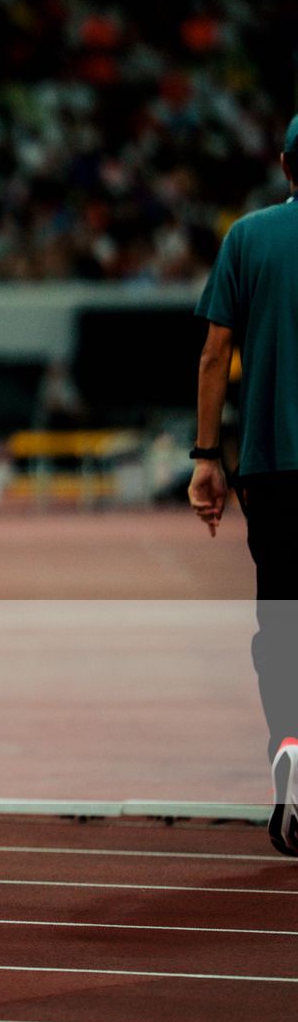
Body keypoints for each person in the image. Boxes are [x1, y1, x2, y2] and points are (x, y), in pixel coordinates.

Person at [189, 111, 298, 859]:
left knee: (282, 630)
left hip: (274, 469)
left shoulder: (249, 238)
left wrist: (205, 456)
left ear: (288, 168)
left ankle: (290, 754)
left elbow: (213, 356)